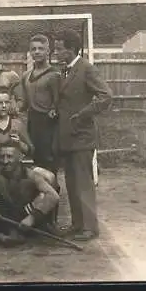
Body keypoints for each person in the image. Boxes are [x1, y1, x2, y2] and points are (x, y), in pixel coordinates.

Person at [53, 29, 113, 241]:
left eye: (59, 48)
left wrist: (83, 113)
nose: (56, 52)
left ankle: (90, 227)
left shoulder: (86, 68)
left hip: (82, 137)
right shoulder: (65, 71)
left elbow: (106, 96)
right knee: (71, 182)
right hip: (67, 137)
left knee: (84, 183)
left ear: (70, 49)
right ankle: (77, 224)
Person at [20, 34, 62, 224]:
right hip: (32, 125)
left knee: (50, 172)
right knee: (36, 172)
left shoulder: (55, 75)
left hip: (49, 126)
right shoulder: (26, 76)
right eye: (33, 49)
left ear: (48, 51)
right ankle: (38, 215)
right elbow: (24, 104)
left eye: (41, 49)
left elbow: (59, 103)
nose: (37, 52)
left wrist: (54, 111)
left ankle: (51, 219)